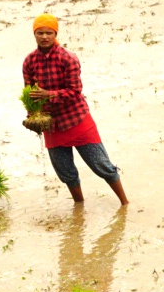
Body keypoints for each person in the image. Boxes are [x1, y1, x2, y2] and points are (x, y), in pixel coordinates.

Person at [23, 13, 130, 206]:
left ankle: (125, 203)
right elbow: (29, 92)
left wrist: (49, 95)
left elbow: (75, 91)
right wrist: (32, 115)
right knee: (66, 173)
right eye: (40, 33)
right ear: (35, 34)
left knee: (102, 165)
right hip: (52, 125)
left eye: (49, 32)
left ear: (55, 34)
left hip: (77, 121)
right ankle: (79, 207)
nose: (44, 37)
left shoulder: (68, 58)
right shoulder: (29, 61)